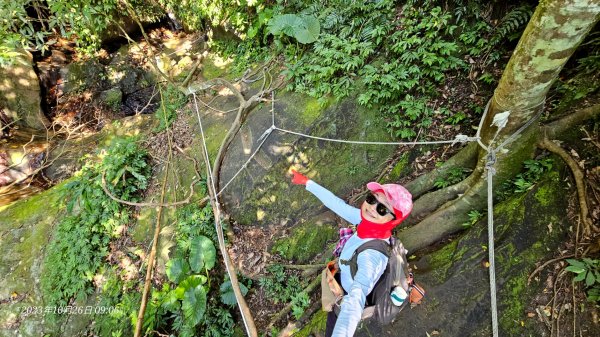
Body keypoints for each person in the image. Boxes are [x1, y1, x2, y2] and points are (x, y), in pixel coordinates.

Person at [290, 170, 413, 337]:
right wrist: (308, 183)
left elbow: (356, 298)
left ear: (394, 220)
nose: (372, 207)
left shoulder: (372, 255)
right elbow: (338, 205)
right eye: (372, 199)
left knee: (332, 325)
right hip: (345, 279)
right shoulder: (367, 223)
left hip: (348, 296)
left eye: (383, 209)